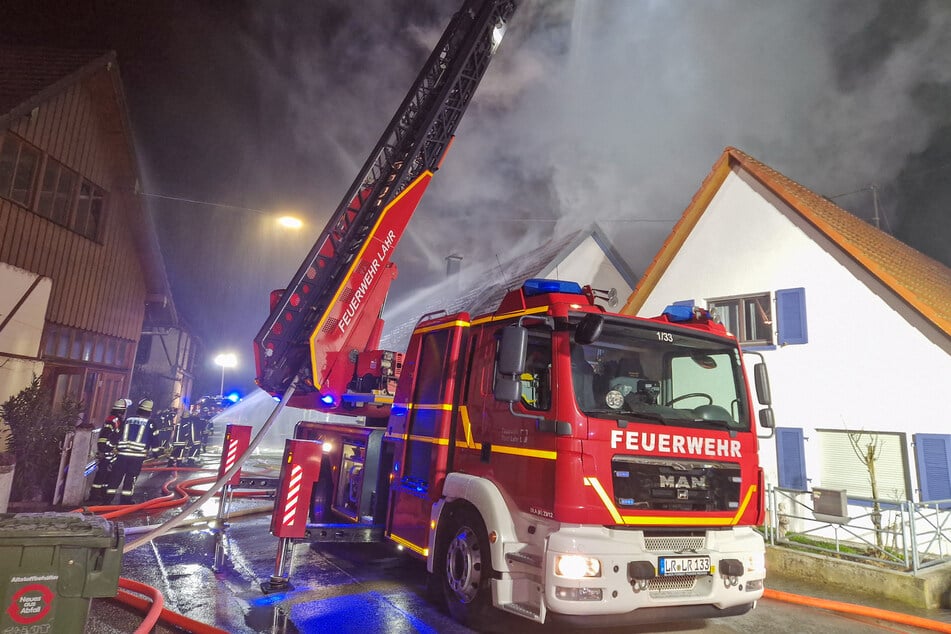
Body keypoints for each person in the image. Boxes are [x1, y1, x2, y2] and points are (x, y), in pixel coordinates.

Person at [106, 398, 155, 504]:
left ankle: (107, 500)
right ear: (150, 411)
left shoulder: (128, 420)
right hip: (137, 457)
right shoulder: (151, 423)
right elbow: (154, 439)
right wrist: (156, 453)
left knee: (115, 477)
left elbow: (117, 435)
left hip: (122, 454)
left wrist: (110, 447)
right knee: (130, 478)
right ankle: (125, 501)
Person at [88, 398, 131, 503]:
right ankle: (94, 495)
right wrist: (105, 449)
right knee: (102, 473)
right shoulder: (113, 420)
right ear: (122, 410)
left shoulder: (116, 420)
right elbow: (105, 436)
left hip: (110, 451)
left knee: (108, 473)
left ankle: (102, 493)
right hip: (108, 451)